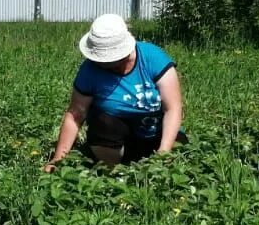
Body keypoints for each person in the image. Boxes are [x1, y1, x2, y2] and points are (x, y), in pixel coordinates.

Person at [44, 13, 183, 170]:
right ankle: (114, 172)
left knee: (180, 154)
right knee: (103, 123)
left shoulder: (153, 57)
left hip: (158, 136)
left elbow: (173, 108)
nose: (101, 62)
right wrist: (57, 159)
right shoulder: (90, 70)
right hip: (118, 141)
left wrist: (163, 154)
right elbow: (76, 114)